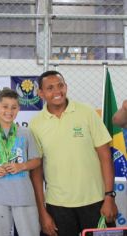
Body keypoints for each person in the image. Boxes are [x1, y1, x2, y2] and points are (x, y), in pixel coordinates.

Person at [29, 70, 118, 236]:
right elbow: (36, 172)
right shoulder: (35, 124)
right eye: (50, 88)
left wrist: (109, 197)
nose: (57, 91)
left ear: (66, 87)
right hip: (57, 206)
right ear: (41, 93)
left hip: (96, 202)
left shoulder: (87, 113)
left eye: (60, 86)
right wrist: (42, 212)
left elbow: (105, 157)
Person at [0, 88, 41, 236]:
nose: (9, 111)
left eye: (14, 107)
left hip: (24, 196)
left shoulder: (26, 132)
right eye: (5, 107)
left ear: (19, 109)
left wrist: (21, 166)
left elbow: (36, 160)